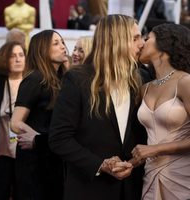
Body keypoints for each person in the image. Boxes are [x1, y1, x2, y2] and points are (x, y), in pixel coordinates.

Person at [49, 14, 147, 200]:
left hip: (130, 188)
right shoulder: (78, 79)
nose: (141, 43)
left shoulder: (139, 79)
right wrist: (101, 165)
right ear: (114, 41)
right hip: (89, 189)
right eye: (135, 38)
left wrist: (132, 164)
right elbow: (59, 138)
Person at [131, 23, 190, 199]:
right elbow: (150, 142)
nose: (141, 43)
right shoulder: (145, 88)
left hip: (182, 177)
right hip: (150, 175)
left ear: (164, 46)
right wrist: (130, 163)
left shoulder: (185, 82)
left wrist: (154, 150)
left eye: (147, 38)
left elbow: (153, 148)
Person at [10, 30, 68, 200]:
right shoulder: (35, 79)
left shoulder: (62, 79)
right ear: (42, 49)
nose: (63, 47)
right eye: (56, 43)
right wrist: (37, 138)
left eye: (62, 42)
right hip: (35, 162)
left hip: (52, 157)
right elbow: (15, 122)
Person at [0, 41, 26, 200]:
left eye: (21, 55)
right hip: (0, 151)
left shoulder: (32, 82)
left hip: (25, 152)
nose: (18, 59)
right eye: (13, 56)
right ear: (5, 58)